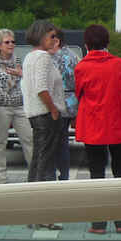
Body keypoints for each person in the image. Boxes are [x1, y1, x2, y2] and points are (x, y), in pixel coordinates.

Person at [74, 24, 121, 234]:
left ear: (86, 44)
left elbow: (79, 93)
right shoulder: (119, 64)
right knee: (120, 172)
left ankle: (98, 223)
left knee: (97, 174)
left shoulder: (82, 67)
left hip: (94, 124)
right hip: (118, 123)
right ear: (107, 43)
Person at [0, 28, 33, 184]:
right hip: (1, 107)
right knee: (0, 142)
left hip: (19, 106)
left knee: (28, 139)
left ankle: (34, 174)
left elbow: (28, 80)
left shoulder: (18, 61)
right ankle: (1, 177)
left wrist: (21, 74)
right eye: (7, 42)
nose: (11, 44)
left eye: (13, 41)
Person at [21, 20, 66, 187]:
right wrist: (53, 110)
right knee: (46, 160)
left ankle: (32, 188)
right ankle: (39, 191)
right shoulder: (43, 57)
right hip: (45, 114)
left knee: (38, 157)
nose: (55, 40)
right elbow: (41, 88)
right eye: (52, 36)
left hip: (34, 114)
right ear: (41, 36)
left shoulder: (29, 56)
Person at [50, 29, 80, 180]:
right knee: (63, 141)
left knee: (57, 141)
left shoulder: (54, 58)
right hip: (72, 102)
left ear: (56, 41)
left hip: (59, 102)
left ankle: (59, 175)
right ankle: (64, 175)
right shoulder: (74, 55)